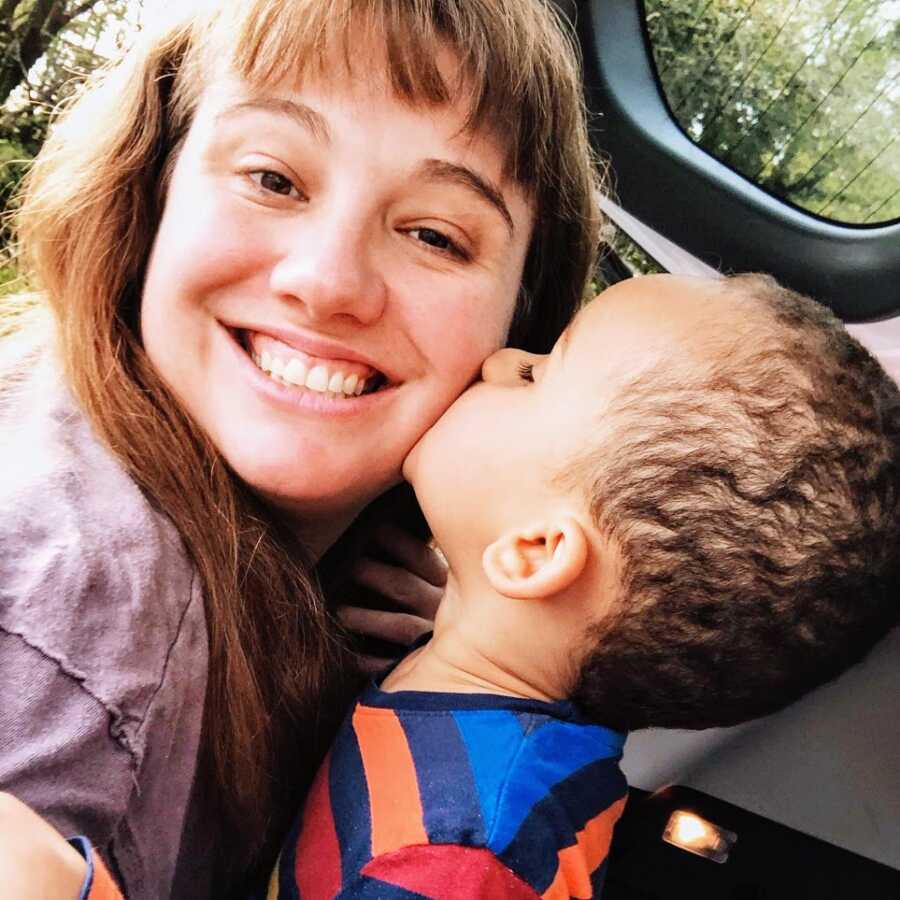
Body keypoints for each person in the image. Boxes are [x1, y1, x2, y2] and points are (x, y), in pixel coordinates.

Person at [12, 271, 897, 898]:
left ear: (535, 552)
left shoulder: (460, 859)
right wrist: (463, 623)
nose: (503, 359)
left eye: (543, 373)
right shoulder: (487, 695)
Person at [0, 1, 602, 897]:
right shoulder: (86, 595)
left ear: (522, 327)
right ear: (153, 185)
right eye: (273, 179)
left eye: (434, 235)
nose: (327, 282)